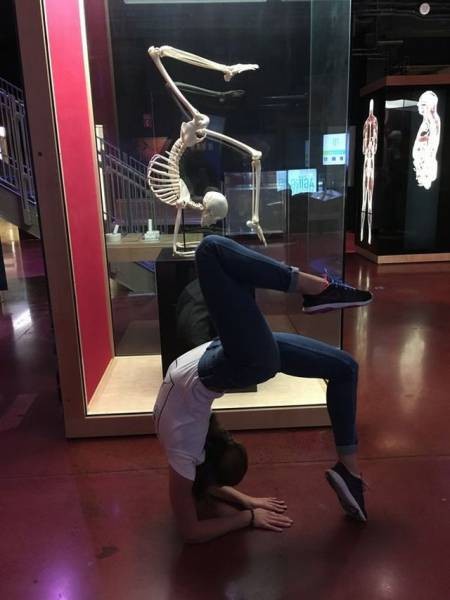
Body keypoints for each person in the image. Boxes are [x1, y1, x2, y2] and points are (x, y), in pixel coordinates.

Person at [153, 235, 372, 543]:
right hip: (236, 360)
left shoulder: (188, 454)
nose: (229, 434)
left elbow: (198, 507)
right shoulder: (186, 452)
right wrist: (249, 515)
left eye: (229, 440)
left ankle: (350, 471)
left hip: (230, 354)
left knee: (345, 368)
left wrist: (246, 502)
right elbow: (195, 518)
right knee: (211, 251)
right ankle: (317, 289)